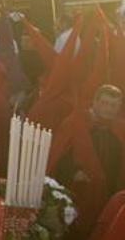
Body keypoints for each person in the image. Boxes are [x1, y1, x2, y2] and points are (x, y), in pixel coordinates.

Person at [50, 85, 125, 238]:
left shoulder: (120, 129)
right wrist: (73, 172)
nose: (109, 109)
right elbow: (57, 156)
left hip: (108, 195)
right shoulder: (74, 123)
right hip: (78, 193)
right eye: (105, 103)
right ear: (95, 102)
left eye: (114, 105)